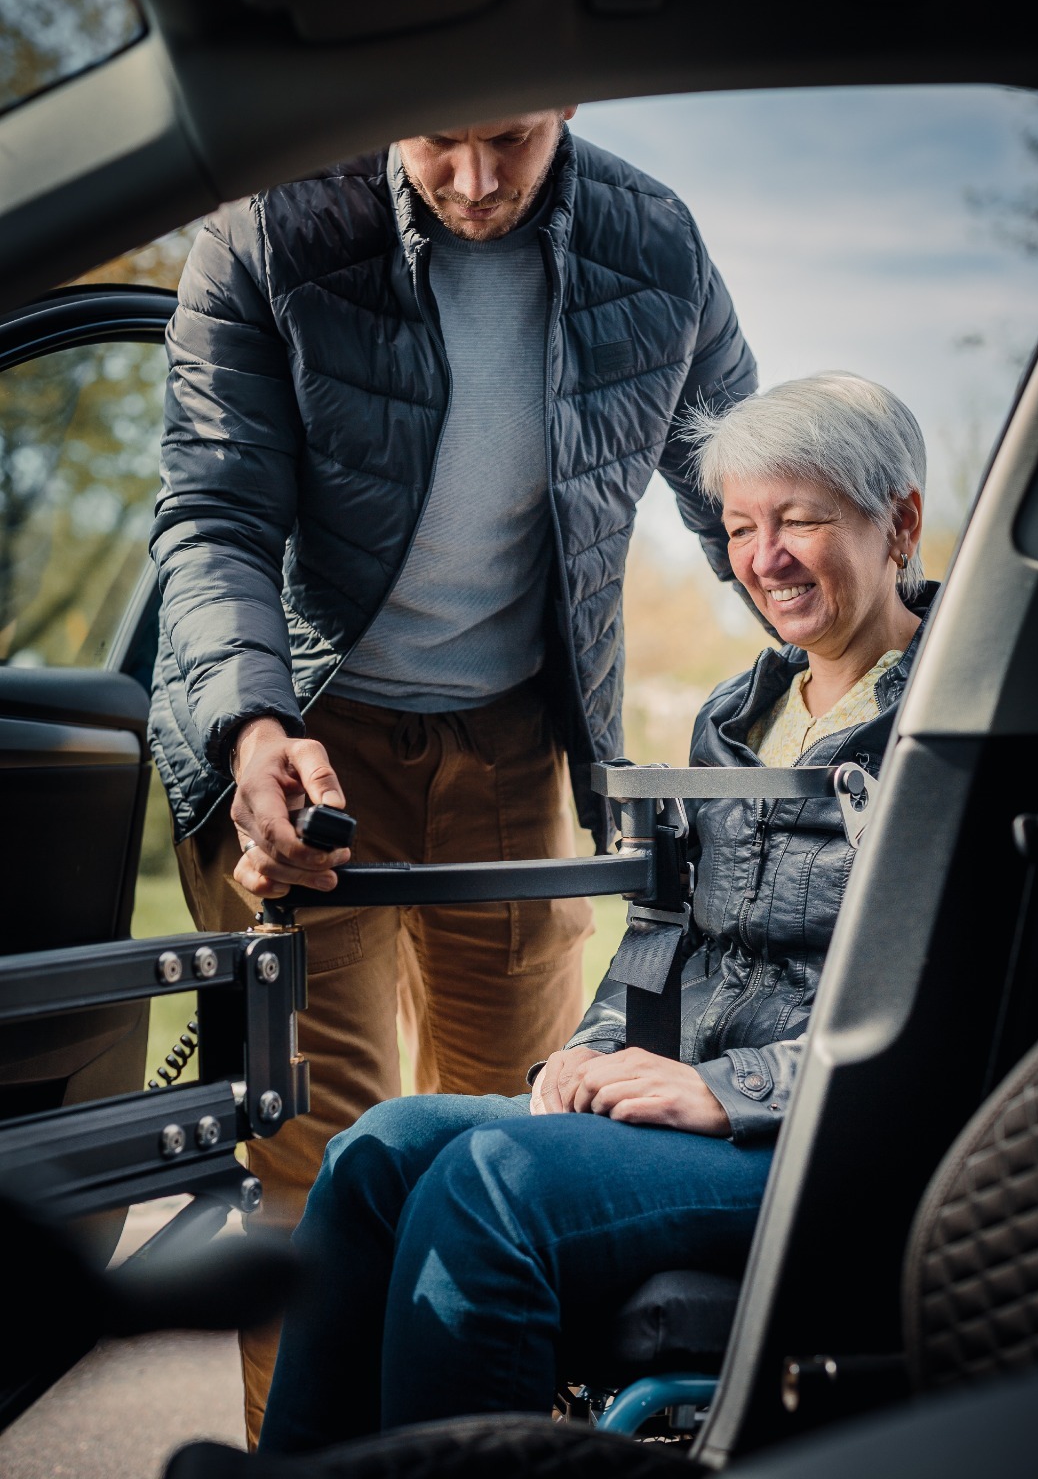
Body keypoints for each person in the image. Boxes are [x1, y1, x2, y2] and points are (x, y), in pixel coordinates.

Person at [148, 107, 756, 1440]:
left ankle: (477, 1456)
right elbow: (214, 515)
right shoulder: (268, 228)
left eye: (513, 139)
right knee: (322, 1155)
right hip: (309, 732)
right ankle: (308, 1466)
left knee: (524, 1131)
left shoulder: (653, 245)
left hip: (509, 741)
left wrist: (916, 662)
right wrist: (248, 729)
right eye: (435, 138)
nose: (474, 181)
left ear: (573, 102)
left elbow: (749, 494)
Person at [257, 371, 935, 1452]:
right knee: (375, 1151)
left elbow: (946, 998)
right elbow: (668, 935)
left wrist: (722, 1090)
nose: (763, 557)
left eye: (799, 519)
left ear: (897, 520)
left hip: (819, 1137)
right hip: (698, 1116)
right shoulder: (738, 714)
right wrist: (590, 1050)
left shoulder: (953, 726)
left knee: (493, 1185)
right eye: (741, 525)